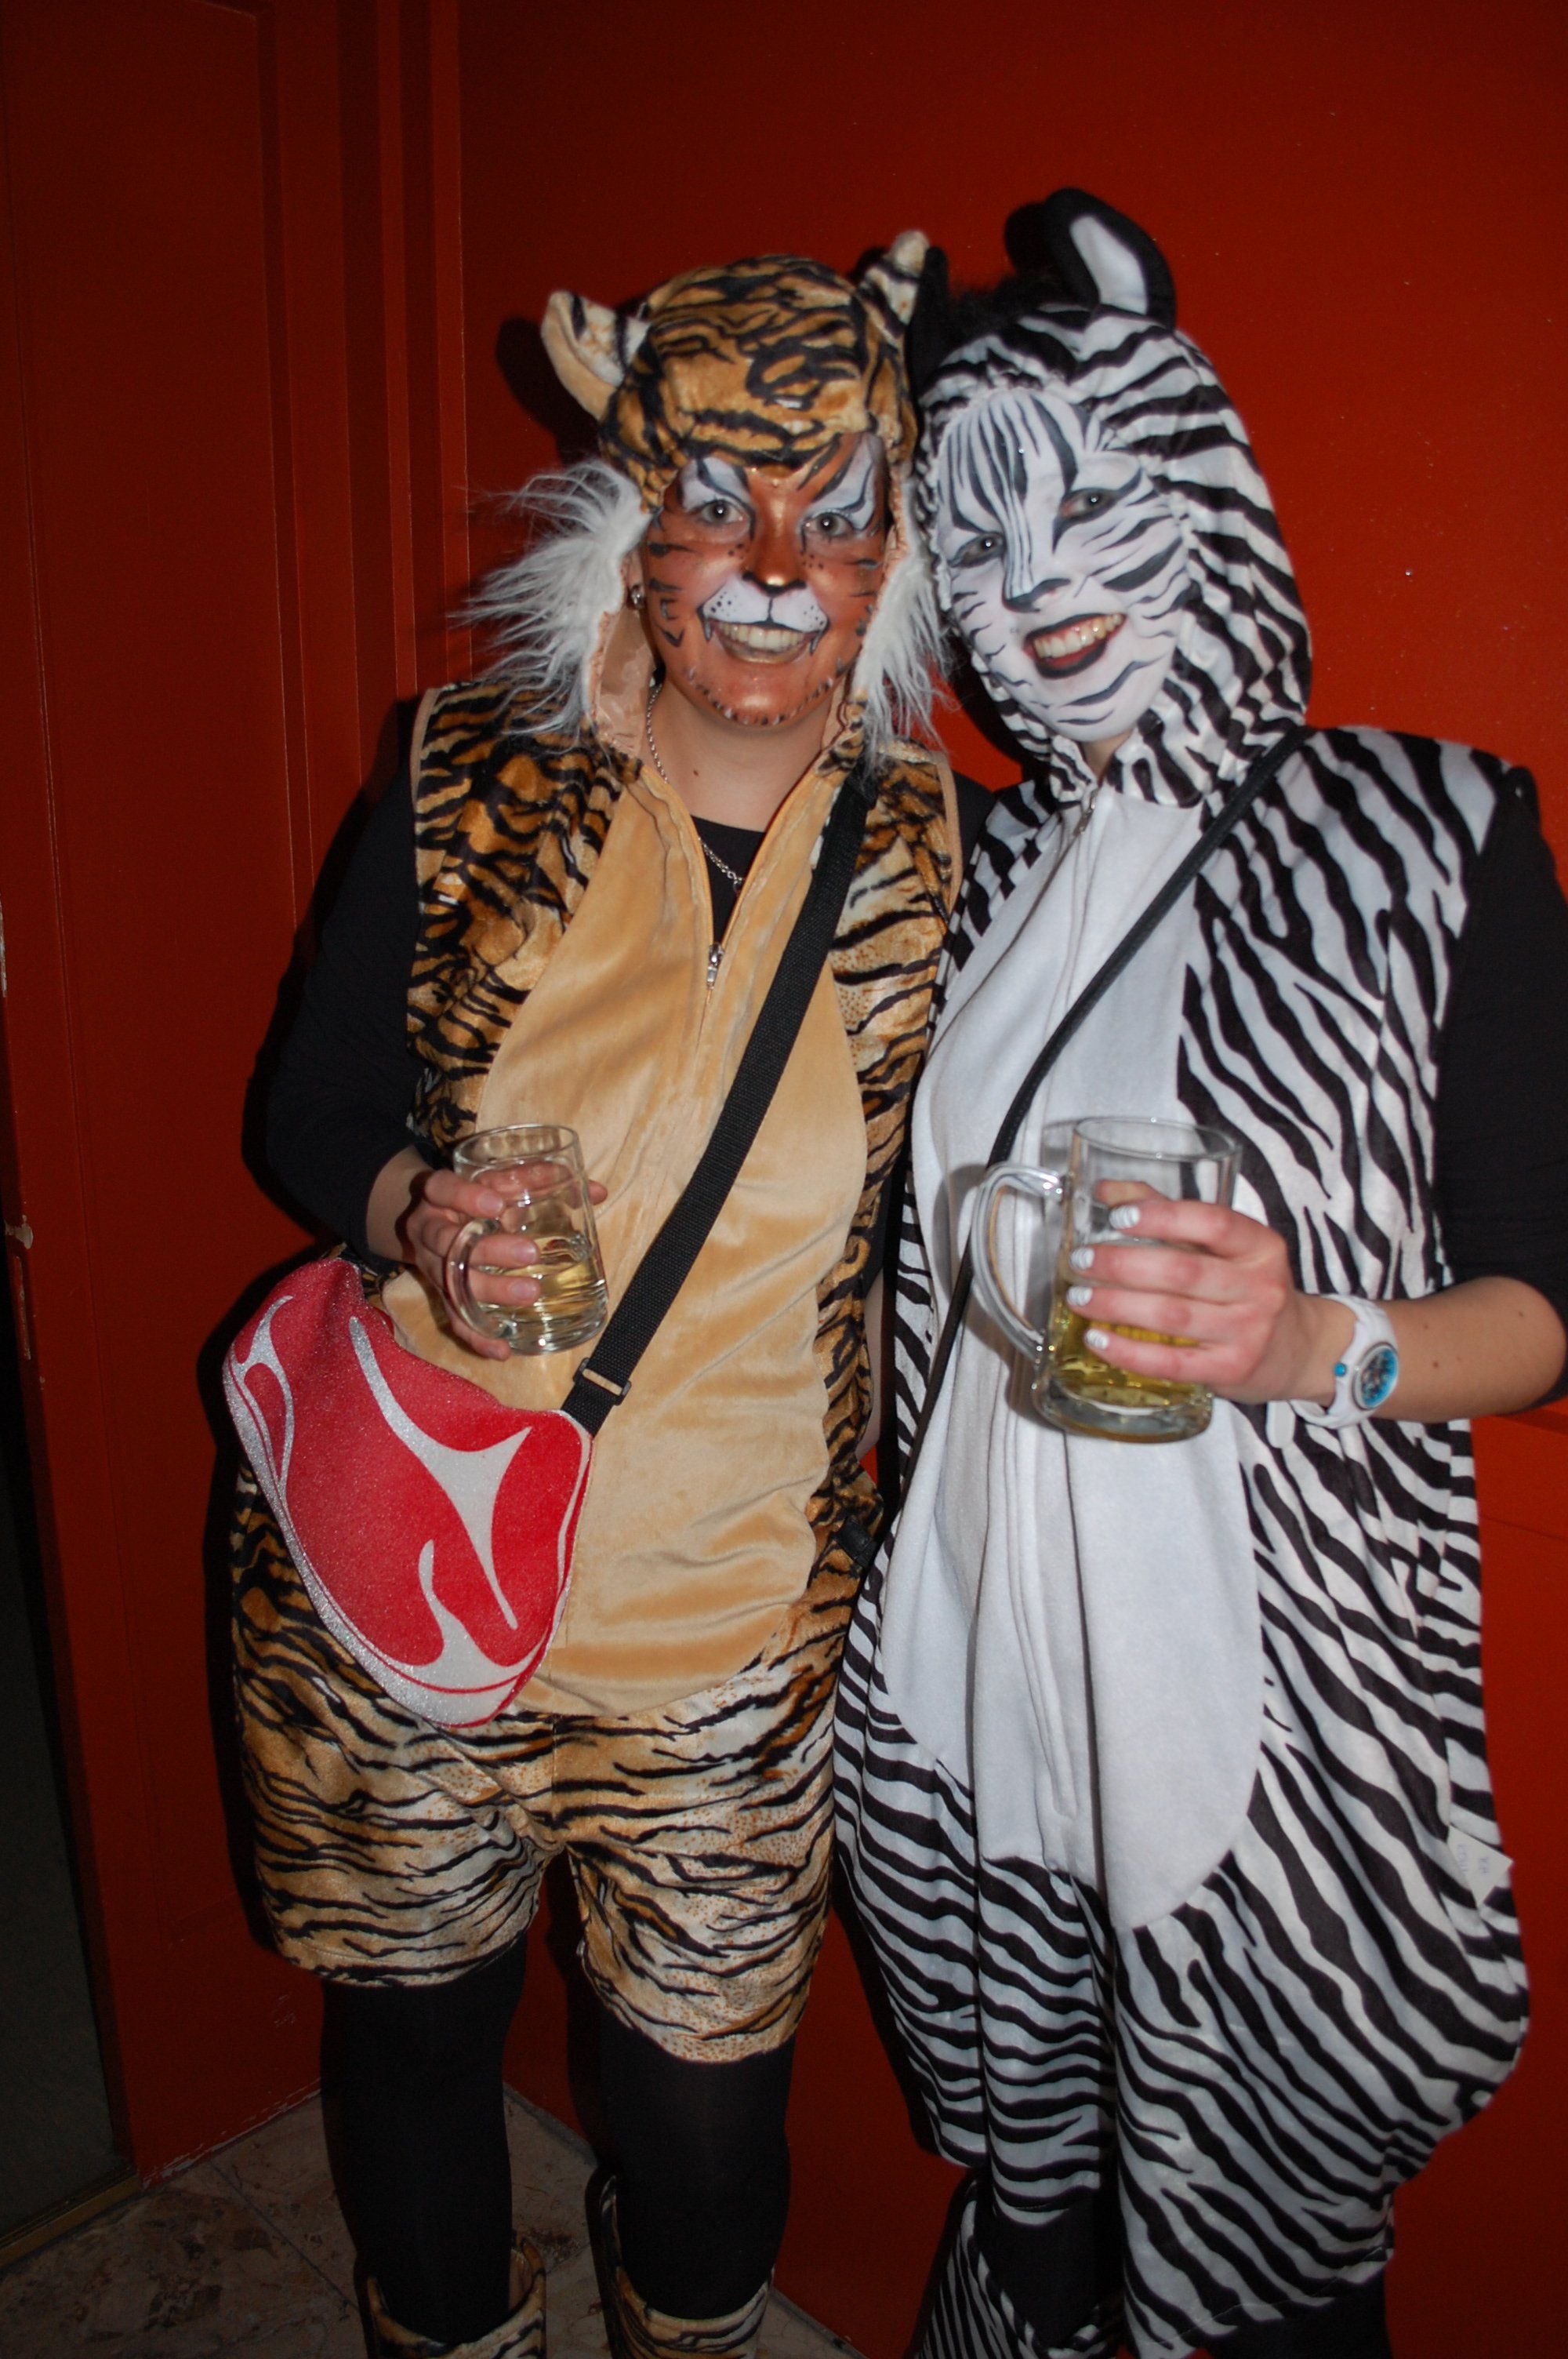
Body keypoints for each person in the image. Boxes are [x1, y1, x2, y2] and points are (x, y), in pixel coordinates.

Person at [835, 190, 1568, 2359]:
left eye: (1082, 504)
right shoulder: (966, 875)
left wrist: (1315, 1340)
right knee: (1043, 2222)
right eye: (978, 543)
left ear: (1197, 483)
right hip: (985, 1668)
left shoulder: (1422, 836)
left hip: (1256, 1717)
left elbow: (1551, 1310)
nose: (1034, 585)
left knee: (1258, 2274)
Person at [235, 237, 984, 2359]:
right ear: (633, 521)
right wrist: (417, 1211)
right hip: (412, 1576)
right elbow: (305, 1110)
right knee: (414, 2047)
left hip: (724, 1616)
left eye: (834, 513)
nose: (774, 569)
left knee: (706, 2124)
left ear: (895, 546)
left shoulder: (939, 851)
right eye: (714, 504)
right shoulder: (471, 768)